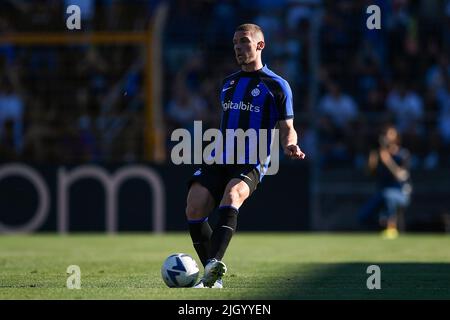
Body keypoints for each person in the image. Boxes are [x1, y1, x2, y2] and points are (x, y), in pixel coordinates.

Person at [185, 23, 305, 288]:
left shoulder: (278, 86)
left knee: (233, 195)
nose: (238, 48)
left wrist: (290, 146)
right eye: (235, 44)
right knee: (194, 205)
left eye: (244, 42)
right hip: (220, 156)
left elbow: (288, 128)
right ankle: (211, 275)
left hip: (252, 159)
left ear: (260, 45)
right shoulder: (228, 83)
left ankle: (213, 266)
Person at [358, 125, 412, 239]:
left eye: (390, 134)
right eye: (385, 134)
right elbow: (369, 173)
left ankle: (391, 229)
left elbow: (401, 176)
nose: (387, 137)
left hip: (400, 193)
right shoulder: (379, 153)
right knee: (363, 215)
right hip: (381, 193)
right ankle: (380, 228)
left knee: (389, 195)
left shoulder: (403, 154)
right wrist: (373, 159)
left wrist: (388, 161)